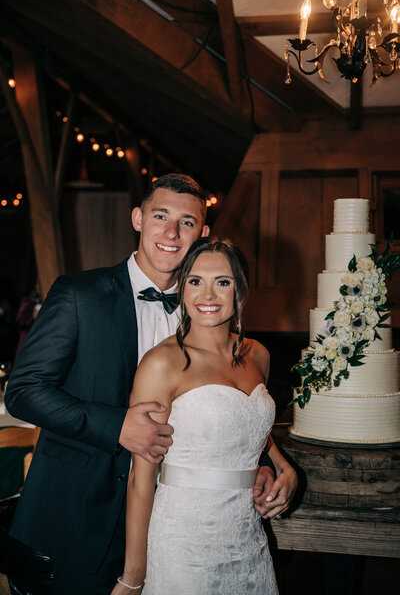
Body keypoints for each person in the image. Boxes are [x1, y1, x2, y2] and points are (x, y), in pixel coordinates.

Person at [5, 175, 297, 595]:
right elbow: (23, 389)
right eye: (160, 216)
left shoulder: (207, 305)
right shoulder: (79, 295)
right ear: (138, 218)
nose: (172, 233)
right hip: (81, 518)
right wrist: (117, 425)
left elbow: (229, 411)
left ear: (203, 233)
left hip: (178, 524)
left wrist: (265, 464)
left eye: (187, 222)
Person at [112, 237, 288, 594]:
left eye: (222, 282)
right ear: (182, 288)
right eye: (195, 281)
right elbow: (141, 479)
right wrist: (133, 578)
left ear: (240, 289)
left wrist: (282, 468)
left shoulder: (258, 355)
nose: (207, 295)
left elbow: (244, 426)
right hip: (183, 543)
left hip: (248, 539)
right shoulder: (162, 364)